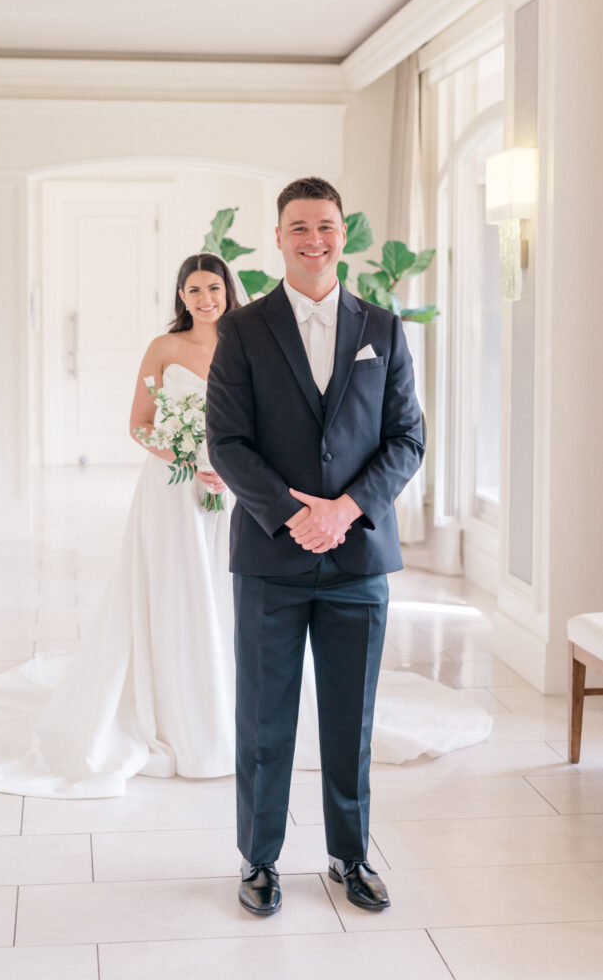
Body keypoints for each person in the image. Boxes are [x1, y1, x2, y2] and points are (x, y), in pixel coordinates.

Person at [0, 253, 243, 795]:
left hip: (233, 486)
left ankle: (227, 703)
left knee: (226, 590)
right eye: (193, 289)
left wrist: (228, 468)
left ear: (229, 291)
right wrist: (188, 458)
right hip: (172, 487)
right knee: (174, 592)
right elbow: (139, 425)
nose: (205, 298)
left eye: (214, 287)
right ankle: (171, 708)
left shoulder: (247, 344)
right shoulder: (163, 349)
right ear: (180, 296)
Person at [206, 176, 424, 917]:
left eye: (326, 226)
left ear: (343, 234)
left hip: (358, 558)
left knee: (349, 720)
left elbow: (407, 439)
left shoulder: (384, 331)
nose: (313, 239)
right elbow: (226, 442)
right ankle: (258, 860)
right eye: (298, 227)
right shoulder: (241, 331)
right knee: (264, 720)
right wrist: (291, 515)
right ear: (278, 238)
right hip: (272, 557)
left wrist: (347, 509)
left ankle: (349, 856)